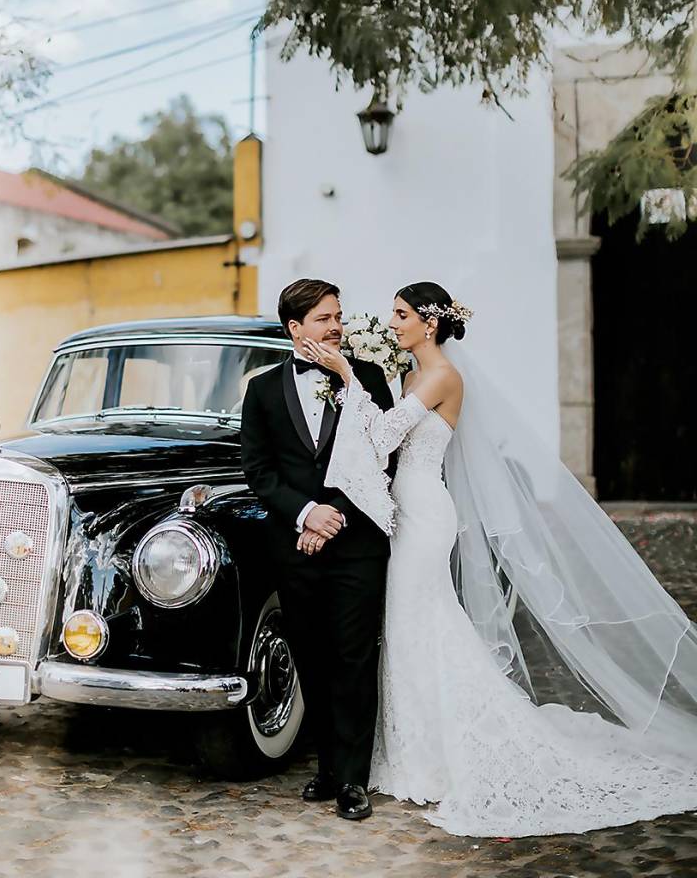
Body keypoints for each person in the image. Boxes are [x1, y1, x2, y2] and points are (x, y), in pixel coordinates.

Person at [300, 280, 697, 837]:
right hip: (404, 513)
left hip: (426, 516)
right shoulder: (412, 375)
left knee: (424, 620)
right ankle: (415, 752)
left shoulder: (441, 376)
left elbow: (385, 437)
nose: (392, 324)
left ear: (429, 323)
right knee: (407, 625)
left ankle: (449, 753)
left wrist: (346, 374)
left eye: (400, 314)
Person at [240, 278, 394, 820]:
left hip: (357, 544)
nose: (336, 326)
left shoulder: (369, 378)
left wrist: (333, 516)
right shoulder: (261, 391)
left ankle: (354, 780)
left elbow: (381, 455)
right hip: (295, 545)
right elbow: (259, 470)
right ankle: (327, 768)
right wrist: (306, 514)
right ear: (295, 328)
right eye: (325, 318)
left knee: (354, 657)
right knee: (312, 656)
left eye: (338, 316)